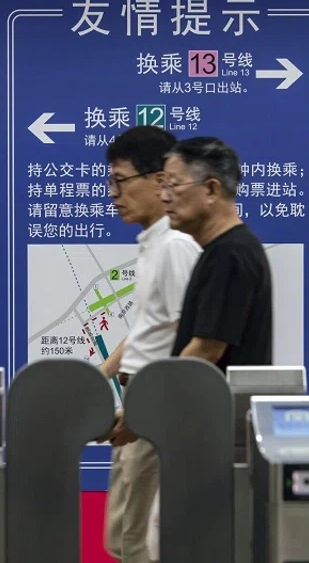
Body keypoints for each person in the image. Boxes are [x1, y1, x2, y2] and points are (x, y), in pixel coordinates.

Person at [98, 126, 202, 563]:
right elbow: (148, 328)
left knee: (139, 542)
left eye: (120, 181)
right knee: (123, 537)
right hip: (138, 402)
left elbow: (188, 340)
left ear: (159, 180)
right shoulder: (153, 246)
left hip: (156, 411)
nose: (113, 194)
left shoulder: (176, 247)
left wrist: (149, 411)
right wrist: (101, 373)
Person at [160, 136, 273, 370]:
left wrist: (167, 390)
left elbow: (206, 350)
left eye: (173, 184)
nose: (164, 196)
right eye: (163, 185)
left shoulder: (230, 253)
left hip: (216, 395)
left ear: (211, 189)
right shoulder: (223, 249)